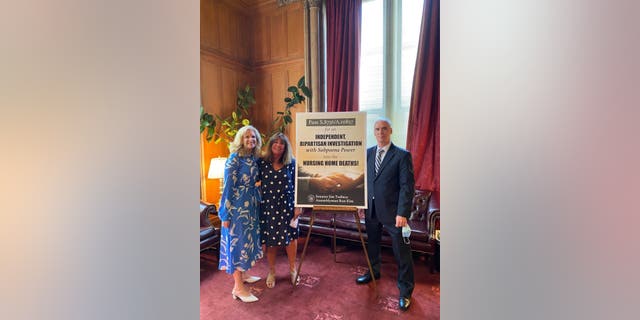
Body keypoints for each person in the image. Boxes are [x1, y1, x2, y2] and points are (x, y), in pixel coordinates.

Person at [355, 118, 416, 311]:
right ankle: (374, 272)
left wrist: (402, 212)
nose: (380, 132)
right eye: (377, 129)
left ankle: (405, 290)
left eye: (384, 129)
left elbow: (407, 187)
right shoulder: (368, 153)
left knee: (402, 253)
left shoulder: (402, 155)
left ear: (391, 130)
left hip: (394, 214)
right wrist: (360, 202)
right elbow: (364, 180)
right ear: (374, 132)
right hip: (371, 211)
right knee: (372, 245)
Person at [218, 125, 264, 303]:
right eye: (247, 137)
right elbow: (228, 188)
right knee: (238, 246)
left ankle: (243, 275)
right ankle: (238, 287)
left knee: (247, 243)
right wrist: (225, 214)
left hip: (251, 207)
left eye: (253, 137)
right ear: (240, 140)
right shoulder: (234, 159)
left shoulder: (253, 158)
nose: (251, 140)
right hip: (236, 209)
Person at [257, 132, 301, 288]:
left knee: (291, 239)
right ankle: (272, 271)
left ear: (285, 146)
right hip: (268, 207)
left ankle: (292, 269)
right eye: (275, 142)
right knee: (271, 241)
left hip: (288, 207)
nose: (278, 145)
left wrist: (298, 205)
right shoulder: (262, 162)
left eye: (281, 143)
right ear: (270, 144)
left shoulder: (292, 163)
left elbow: (299, 186)